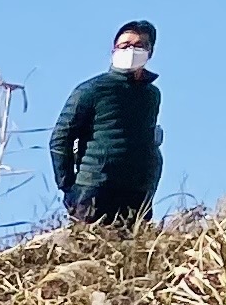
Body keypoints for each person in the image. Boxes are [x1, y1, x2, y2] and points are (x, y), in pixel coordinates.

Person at [49, 22, 163, 225]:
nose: (131, 50)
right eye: (125, 44)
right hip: (95, 190)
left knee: (133, 255)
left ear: (150, 52)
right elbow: (60, 138)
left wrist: (151, 182)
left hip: (138, 193)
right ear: (114, 50)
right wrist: (69, 187)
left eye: (139, 45)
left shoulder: (151, 95)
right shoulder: (92, 90)